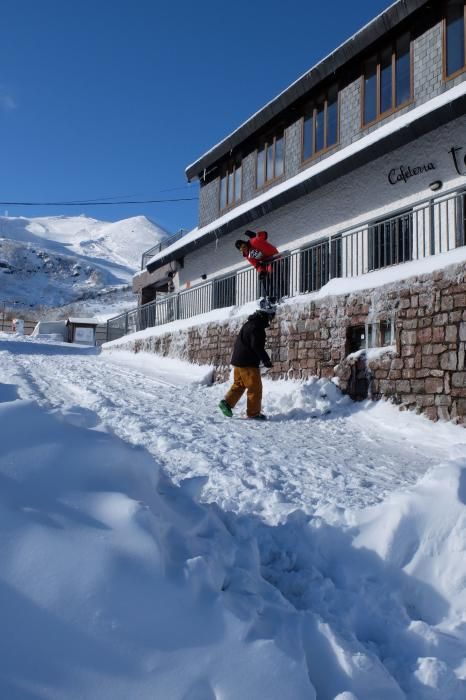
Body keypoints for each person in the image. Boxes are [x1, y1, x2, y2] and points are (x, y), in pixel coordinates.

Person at [218, 309, 275, 420]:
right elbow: (256, 346)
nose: (270, 320)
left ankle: (227, 403)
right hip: (248, 363)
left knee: (239, 384)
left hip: (238, 361)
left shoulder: (249, 324)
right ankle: (254, 413)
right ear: (264, 317)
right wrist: (266, 360)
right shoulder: (257, 327)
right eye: (269, 317)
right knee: (255, 388)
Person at [235, 230, 279, 307]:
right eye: (241, 249)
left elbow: (265, 235)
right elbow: (256, 264)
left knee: (272, 274)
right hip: (265, 263)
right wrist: (261, 271)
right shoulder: (248, 255)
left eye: (244, 246)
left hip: (274, 257)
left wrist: (256, 235)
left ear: (245, 243)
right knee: (264, 278)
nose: (244, 249)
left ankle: (276, 295)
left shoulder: (254, 241)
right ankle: (269, 297)